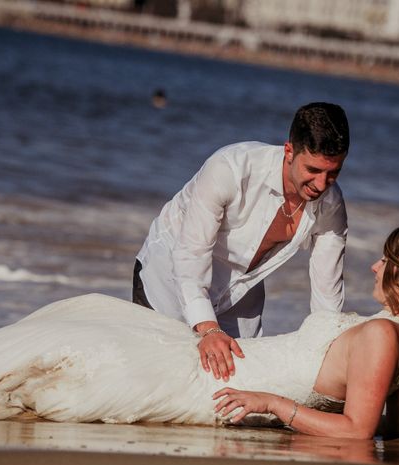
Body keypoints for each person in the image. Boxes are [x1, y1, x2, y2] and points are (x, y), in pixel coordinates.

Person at [0, 222, 399, 439]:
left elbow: (358, 433)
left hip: (215, 382)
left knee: (61, 351)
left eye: (388, 261)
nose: (374, 265)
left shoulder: (379, 339)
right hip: (225, 364)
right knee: (83, 316)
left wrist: (272, 405)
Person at [133, 102, 349, 382]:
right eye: (313, 170)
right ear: (289, 151)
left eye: (333, 173)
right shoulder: (231, 168)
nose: (321, 185)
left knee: (239, 390)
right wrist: (208, 329)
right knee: (155, 379)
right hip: (170, 278)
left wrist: (329, 353)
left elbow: (327, 296)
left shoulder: (331, 206)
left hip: (241, 295)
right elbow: (190, 254)